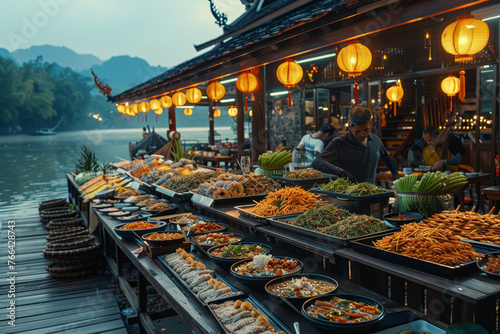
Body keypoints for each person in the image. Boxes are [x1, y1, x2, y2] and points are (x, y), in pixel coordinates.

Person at [311, 106, 398, 183]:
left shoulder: (375, 140)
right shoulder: (339, 143)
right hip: (346, 196)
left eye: (366, 130)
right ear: (350, 126)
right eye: (358, 131)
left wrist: (396, 179)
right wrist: (341, 172)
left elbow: (387, 158)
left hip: (370, 194)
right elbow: (317, 162)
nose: (362, 134)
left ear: (370, 124)